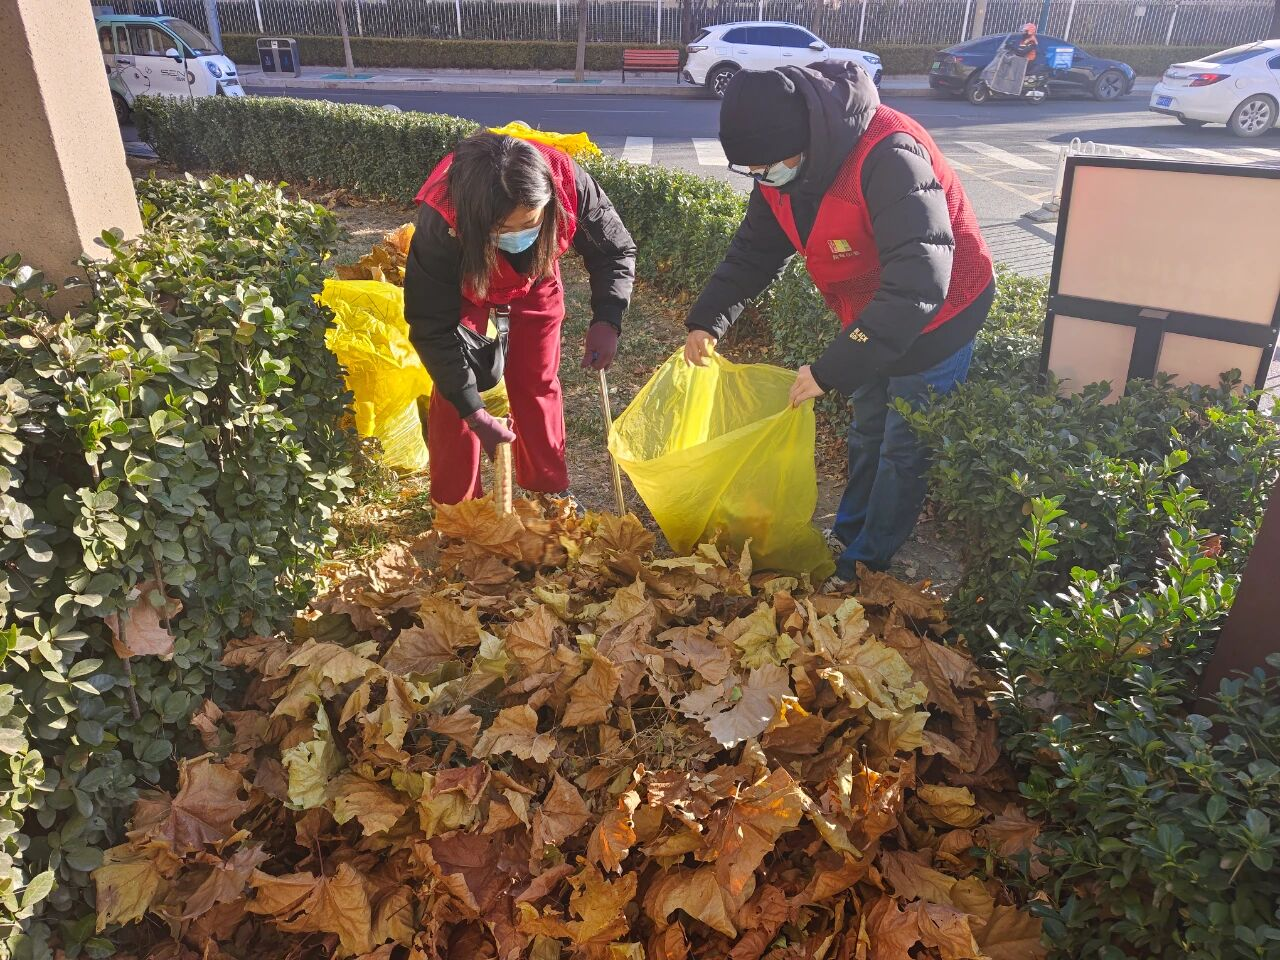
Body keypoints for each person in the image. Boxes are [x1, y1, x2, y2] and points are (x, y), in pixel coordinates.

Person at [683, 63, 995, 587]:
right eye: (750, 169)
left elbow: (918, 283)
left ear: (801, 140)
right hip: (872, 315)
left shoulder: (889, 156)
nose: (762, 177)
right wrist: (708, 320)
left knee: (903, 449)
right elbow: (755, 250)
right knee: (868, 428)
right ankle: (848, 533)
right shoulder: (783, 167)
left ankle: (866, 562)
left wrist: (831, 370)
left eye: (766, 167)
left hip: (940, 315)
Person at [404, 132, 636, 505]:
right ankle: (455, 506)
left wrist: (608, 319)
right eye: (503, 230)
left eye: (530, 222)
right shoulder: (443, 216)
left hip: (536, 274)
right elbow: (432, 326)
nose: (518, 236)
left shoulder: (567, 181)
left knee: (537, 378)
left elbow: (614, 251)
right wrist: (474, 413)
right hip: (466, 278)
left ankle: (548, 490)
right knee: (455, 393)